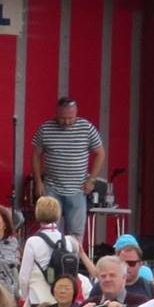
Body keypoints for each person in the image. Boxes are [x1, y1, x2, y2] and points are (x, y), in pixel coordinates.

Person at [31, 95, 103, 242]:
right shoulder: (46, 129)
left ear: (76, 113)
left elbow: (100, 153)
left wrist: (92, 179)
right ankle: (50, 260)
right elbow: (35, 155)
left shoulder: (87, 128)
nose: (67, 121)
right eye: (63, 118)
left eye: (71, 117)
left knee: (75, 233)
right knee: (49, 229)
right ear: (56, 113)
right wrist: (38, 181)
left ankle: (71, 262)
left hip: (77, 188)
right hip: (51, 187)